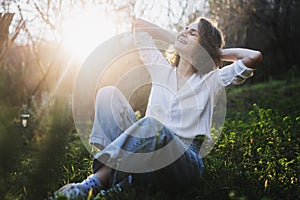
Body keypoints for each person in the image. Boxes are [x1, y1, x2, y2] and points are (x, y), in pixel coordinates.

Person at [54, 17, 262, 199]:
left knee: (153, 127)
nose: (184, 32)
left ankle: (93, 184)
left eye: (193, 32)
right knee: (107, 95)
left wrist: (214, 53)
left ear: (204, 44)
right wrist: (181, 38)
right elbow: (139, 25)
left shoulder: (211, 80)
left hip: (183, 162)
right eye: (184, 29)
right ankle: (124, 183)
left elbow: (253, 57)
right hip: (144, 153)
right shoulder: (161, 68)